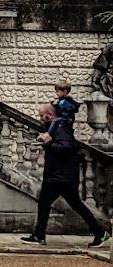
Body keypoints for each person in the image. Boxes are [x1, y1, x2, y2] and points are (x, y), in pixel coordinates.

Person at [22, 102, 106, 246]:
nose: (41, 119)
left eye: (42, 116)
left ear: (50, 115)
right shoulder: (56, 128)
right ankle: (99, 232)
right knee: (61, 204)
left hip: (61, 176)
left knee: (55, 204)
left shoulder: (60, 129)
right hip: (60, 175)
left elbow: (65, 149)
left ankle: (40, 236)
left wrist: (48, 143)